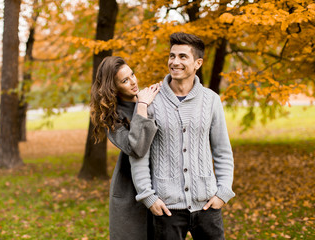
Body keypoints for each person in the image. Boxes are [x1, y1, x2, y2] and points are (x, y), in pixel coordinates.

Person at [129, 32, 236, 240]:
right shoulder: (150, 100)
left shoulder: (211, 100)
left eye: (182, 57)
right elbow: (139, 154)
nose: (174, 62)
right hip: (166, 208)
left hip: (207, 206)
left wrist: (223, 192)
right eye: (172, 56)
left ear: (198, 63)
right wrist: (148, 197)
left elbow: (222, 151)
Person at [90, 56, 160, 240]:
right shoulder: (111, 116)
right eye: (125, 80)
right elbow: (136, 147)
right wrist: (143, 106)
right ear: (113, 87)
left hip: (162, 181)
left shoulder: (151, 97)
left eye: (132, 74)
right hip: (129, 189)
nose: (133, 81)